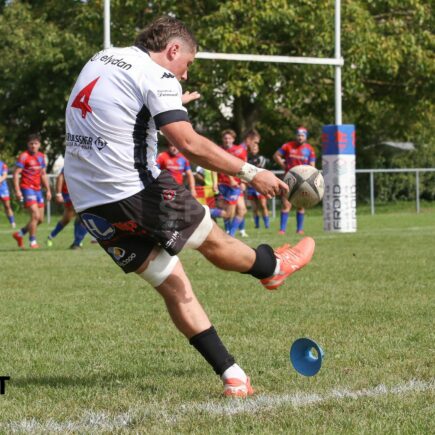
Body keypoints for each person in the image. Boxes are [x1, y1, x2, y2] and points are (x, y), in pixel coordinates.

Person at [64, 16, 315, 398]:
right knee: (213, 242)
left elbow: (108, 111)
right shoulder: (158, 76)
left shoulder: (103, 57)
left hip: (91, 204)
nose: (184, 75)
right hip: (135, 191)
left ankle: (233, 376)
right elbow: (190, 144)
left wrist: (167, 103)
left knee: (174, 284)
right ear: (173, 50)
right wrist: (251, 173)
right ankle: (272, 267)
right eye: (188, 64)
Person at [273, 127, 316, 235]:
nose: (300, 137)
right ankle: (282, 230)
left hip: (303, 181)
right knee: (286, 204)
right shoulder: (288, 146)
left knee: (300, 205)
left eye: (302, 135)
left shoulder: (309, 149)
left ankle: (299, 230)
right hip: (289, 179)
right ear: (296, 136)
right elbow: (276, 155)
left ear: (305, 137)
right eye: (298, 135)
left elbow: (312, 165)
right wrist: (283, 165)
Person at [12, 134, 52, 249]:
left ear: (39, 145)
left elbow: (43, 174)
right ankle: (32, 241)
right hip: (27, 188)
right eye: (31, 143)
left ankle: (20, 234)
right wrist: (17, 191)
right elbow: (16, 174)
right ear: (28, 145)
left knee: (40, 219)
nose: (33, 146)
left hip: (38, 189)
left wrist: (48, 190)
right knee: (35, 215)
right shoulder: (24, 156)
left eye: (35, 143)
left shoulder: (41, 156)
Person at [46, 168, 88, 249]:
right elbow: (60, 176)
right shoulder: (73, 162)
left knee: (80, 218)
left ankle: (77, 242)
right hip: (70, 194)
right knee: (74, 217)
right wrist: (58, 194)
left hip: (81, 194)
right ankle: (76, 242)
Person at [217, 129, 248, 237]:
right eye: (225, 138)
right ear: (222, 139)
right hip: (223, 184)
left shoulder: (240, 150)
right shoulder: (219, 150)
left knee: (242, 210)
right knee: (228, 211)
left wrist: (243, 181)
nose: (227, 140)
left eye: (229, 138)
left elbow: (244, 166)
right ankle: (228, 232)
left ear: (233, 139)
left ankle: (231, 233)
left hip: (236, 185)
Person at [246, 136, 270, 229]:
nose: (254, 149)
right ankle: (257, 225)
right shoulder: (247, 159)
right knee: (254, 207)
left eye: (255, 148)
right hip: (250, 186)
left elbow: (259, 171)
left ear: (258, 149)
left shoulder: (261, 158)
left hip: (260, 185)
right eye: (252, 148)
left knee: (263, 205)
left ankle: (267, 224)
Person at [0, 159, 16, 228]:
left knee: (7, 206)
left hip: (3, 188)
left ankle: (12, 223)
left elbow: (5, 175)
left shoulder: (3, 165)